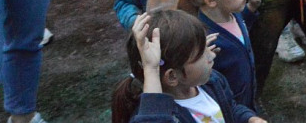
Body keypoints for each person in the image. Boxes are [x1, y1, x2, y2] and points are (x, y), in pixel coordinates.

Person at [110, 10, 265, 123]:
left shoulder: (212, 81)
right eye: (202, 55)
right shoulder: (166, 116)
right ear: (172, 76)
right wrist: (151, 69)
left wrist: (249, 118)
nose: (212, 55)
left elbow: (229, 108)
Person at [178, 0, 265, 110]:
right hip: (230, 108)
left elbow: (241, 31)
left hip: (246, 97)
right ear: (211, 0)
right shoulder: (205, 41)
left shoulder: (232, 12)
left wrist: (251, 9)